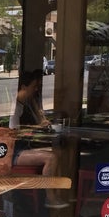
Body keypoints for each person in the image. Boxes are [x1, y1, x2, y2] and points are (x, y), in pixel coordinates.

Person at [10, 70, 68, 209]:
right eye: (34, 86)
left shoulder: (26, 103)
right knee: (51, 158)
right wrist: (37, 128)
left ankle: (57, 193)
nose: (36, 90)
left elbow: (38, 119)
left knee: (58, 152)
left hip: (23, 148)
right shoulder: (15, 107)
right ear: (24, 87)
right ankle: (50, 198)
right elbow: (14, 133)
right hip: (13, 152)